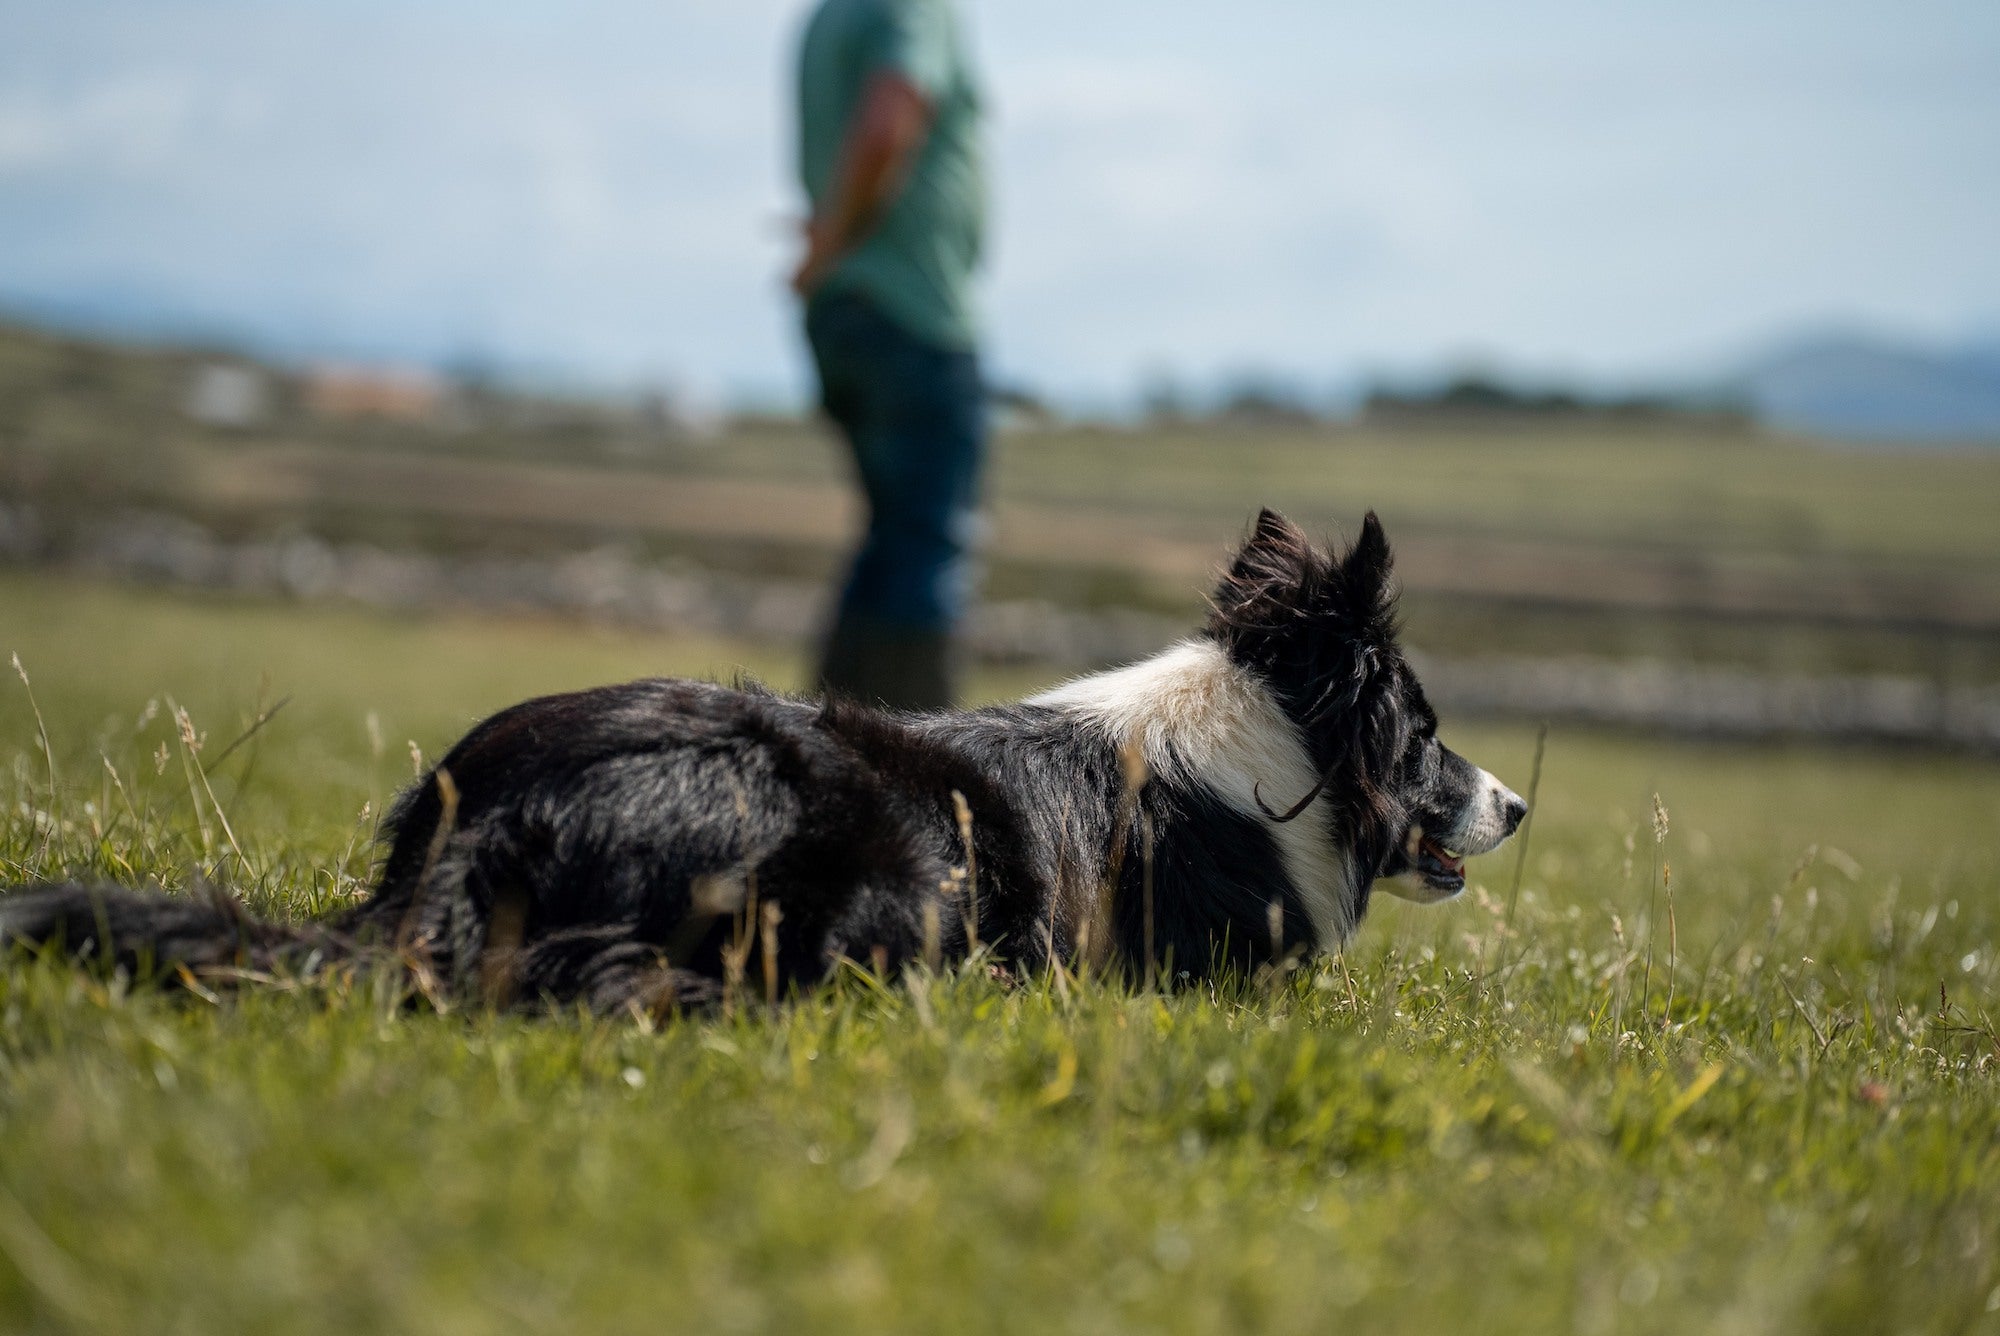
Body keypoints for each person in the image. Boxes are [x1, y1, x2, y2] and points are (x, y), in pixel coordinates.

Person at [792, 0, 987, 710]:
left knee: (889, 544)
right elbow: (889, 116)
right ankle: (927, 785)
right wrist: (833, 237)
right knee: (927, 547)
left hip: (848, 307)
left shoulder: (830, 15)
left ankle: (824, 754)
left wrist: (824, 249)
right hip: (914, 311)